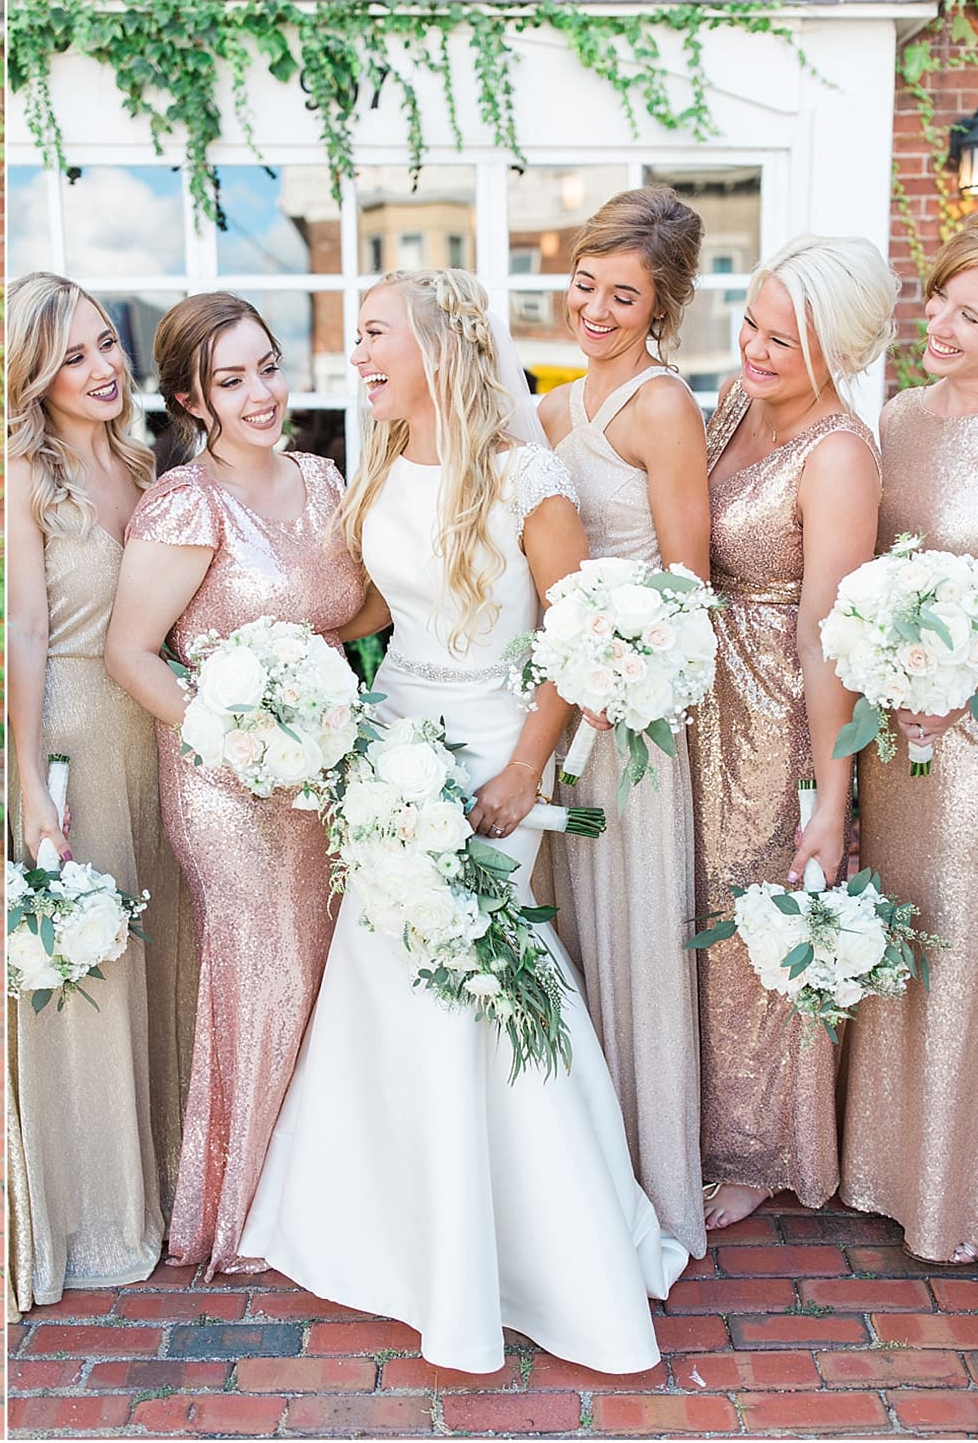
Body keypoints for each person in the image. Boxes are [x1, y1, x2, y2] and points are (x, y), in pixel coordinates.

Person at [237, 269, 689, 1374]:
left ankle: (542, 1249)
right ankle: (399, 1235)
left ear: (438, 346)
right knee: (389, 985)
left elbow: (576, 638)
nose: (358, 356)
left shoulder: (523, 476)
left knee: (480, 984)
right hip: (389, 743)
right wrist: (274, 658)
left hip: (492, 748)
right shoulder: (385, 463)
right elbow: (385, 606)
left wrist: (527, 770)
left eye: (376, 335)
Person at [105, 293, 374, 1280]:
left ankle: (323, 1198)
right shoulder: (186, 503)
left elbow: (355, 609)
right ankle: (248, 1214)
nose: (259, 393)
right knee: (266, 976)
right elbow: (130, 654)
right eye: (230, 380)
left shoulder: (321, 480)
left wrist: (310, 692)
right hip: (226, 780)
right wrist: (242, 732)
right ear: (189, 397)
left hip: (324, 767)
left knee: (331, 978)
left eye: (266, 366)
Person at [687, 235, 897, 1231]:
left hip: (772, 714)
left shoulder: (840, 455)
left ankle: (756, 1150)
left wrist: (827, 798)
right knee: (693, 915)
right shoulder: (732, 404)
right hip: (696, 696)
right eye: (751, 324)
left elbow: (828, 642)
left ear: (840, 350)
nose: (755, 351)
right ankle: (693, 1122)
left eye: (784, 340)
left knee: (749, 926)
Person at [4, 273, 183, 1311]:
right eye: (71, 356)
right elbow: (21, 631)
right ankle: (89, 1215)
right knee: (86, 967)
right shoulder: (23, 476)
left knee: (153, 952)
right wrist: (28, 781)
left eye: (106, 344)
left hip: (149, 736)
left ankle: (154, 1180)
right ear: (33, 372)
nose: (102, 368)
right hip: (67, 730)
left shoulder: (138, 461)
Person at [538, 186, 711, 1260]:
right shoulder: (552, 405)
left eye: (622, 296)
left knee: (634, 939)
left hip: (633, 714)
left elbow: (687, 581)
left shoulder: (660, 407)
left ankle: (649, 1187)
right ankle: (576, 1176)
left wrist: (621, 669)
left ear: (659, 307)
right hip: (556, 702)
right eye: (584, 284)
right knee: (568, 935)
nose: (595, 310)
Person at [840, 208, 978, 1264]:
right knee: (903, 934)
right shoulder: (895, 419)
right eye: (936, 301)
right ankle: (890, 1173)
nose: (935, 323)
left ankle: (968, 1193)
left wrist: (970, 683)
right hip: (891, 737)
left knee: (969, 945)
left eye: (968, 314)